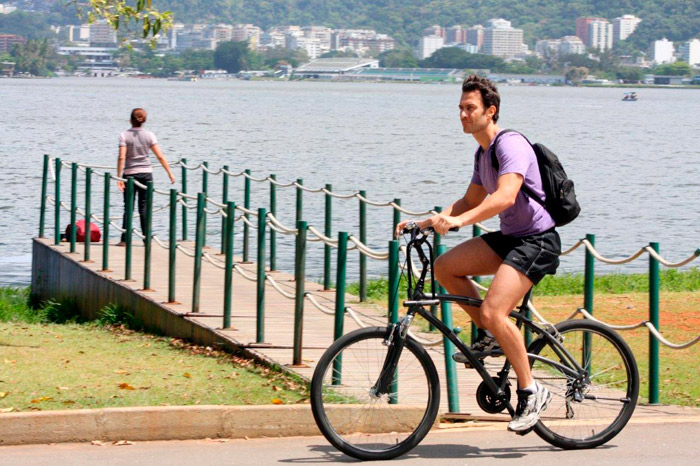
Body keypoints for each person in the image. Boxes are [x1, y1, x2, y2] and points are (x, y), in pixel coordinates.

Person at [395, 75, 561, 433]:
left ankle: (532, 391)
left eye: (470, 108)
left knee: (494, 309)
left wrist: (459, 222)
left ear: (491, 111)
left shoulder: (510, 144)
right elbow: (470, 200)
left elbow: (504, 197)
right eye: (460, 108)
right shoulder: (482, 153)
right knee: (446, 267)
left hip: (537, 241)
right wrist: (428, 221)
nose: (463, 115)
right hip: (511, 237)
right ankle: (488, 334)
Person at [116, 108, 176, 245]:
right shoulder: (150, 135)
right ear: (144, 120)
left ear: (131, 119)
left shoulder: (124, 135)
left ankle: (125, 240)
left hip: (130, 174)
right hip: (146, 174)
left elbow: (122, 157)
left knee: (128, 207)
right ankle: (146, 239)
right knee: (144, 207)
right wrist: (170, 173)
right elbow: (160, 156)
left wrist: (119, 177)